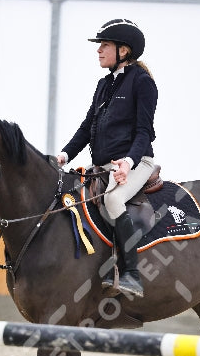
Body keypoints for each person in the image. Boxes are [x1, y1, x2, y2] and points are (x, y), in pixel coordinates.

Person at [57, 19, 157, 299]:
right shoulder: (104, 84)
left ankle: (131, 275)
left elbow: (144, 131)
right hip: (102, 166)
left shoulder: (143, 82)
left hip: (136, 162)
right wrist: (64, 155)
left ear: (123, 51)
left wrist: (127, 162)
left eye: (105, 45)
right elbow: (87, 127)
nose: (99, 50)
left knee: (113, 199)